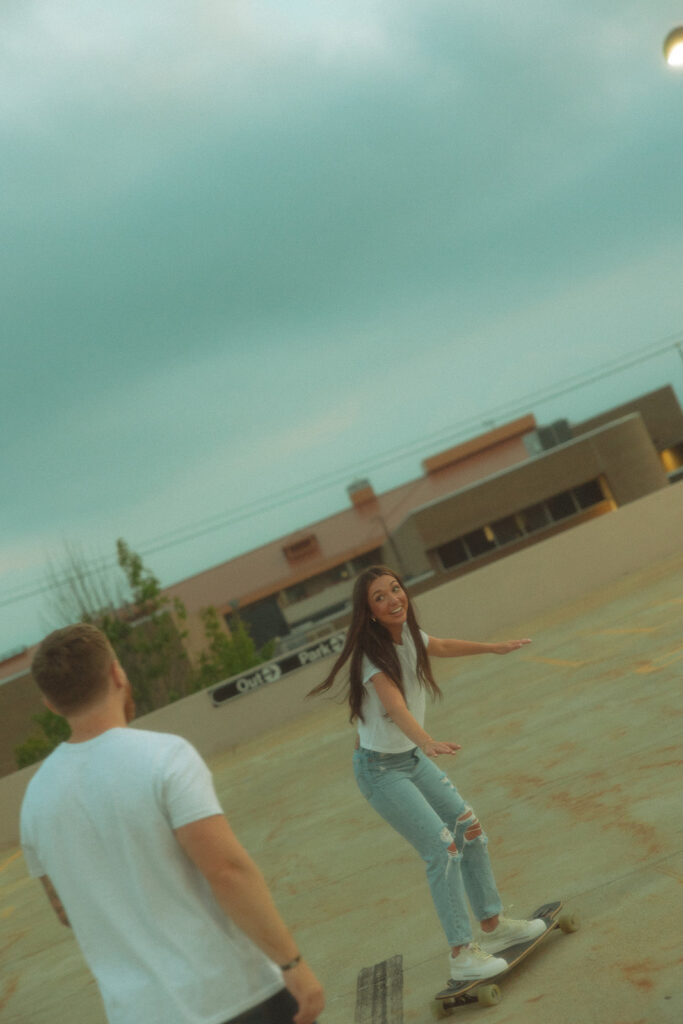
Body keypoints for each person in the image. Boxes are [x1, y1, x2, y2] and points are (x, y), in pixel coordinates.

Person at [20, 623, 324, 1024]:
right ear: (117, 674)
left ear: (51, 704)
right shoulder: (164, 758)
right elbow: (227, 871)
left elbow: (64, 910)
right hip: (234, 997)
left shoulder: (34, 802)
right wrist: (293, 963)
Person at [308, 565, 545, 983]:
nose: (393, 599)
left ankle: (492, 926)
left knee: (468, 829)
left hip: (412, 761)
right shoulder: (371, 657)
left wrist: (492, 648)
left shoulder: (411, 638)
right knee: (442, 849)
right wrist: (426, 740)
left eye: (395, 589)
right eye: (380, 597)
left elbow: (444, 645)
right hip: (381, 770)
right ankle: (461, 953)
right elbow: (395, 707)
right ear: (370, 612)